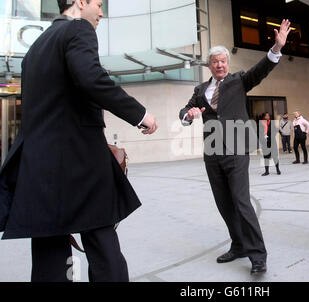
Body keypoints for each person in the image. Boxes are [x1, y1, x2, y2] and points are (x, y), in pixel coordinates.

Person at [0, 0, 157, 282]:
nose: (101, 12)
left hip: (40, 169)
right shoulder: (79, 30)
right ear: (80, 2)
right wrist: (140, 114)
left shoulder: (35, 48)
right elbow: (91, 78)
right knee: (103, 246)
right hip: (80, 165)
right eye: (97, 4)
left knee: (49, 254)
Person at [179, 19, 292, 275]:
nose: (219, 65)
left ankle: (258, 255)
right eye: (215, 61)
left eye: (223, 61)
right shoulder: (200, 90)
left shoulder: (239, 81)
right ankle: (239, 245)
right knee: (224, 204)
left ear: (227, 64)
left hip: (237, 150)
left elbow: (261, 69)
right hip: (212, 153)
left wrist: (276, 48)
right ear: (209, 65)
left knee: (241, 202)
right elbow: (184, 110)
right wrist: (189, 114)